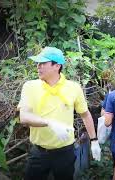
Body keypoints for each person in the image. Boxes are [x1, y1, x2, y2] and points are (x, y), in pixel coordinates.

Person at [17, 47, 101, 180]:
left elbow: (85, 114)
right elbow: (24, 117)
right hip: (39, 152)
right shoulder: (30, 86)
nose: (38, 67)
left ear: (57, 66)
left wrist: (94, 141)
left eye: (42, 63)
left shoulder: (73, 87)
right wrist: (49, 123)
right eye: (37, 63)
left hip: (65, 152)